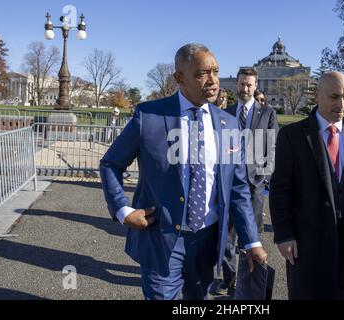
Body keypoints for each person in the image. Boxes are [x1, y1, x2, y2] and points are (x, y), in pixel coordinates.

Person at [100, 43, 267, 300]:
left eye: (215, 71)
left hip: (208, 241)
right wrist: (124, 211)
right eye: (202, 73)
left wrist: (252, 241)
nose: (213, 80)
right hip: (162, 237)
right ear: (180, 78)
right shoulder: (149, 116)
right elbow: (111, 163)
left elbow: (238, 187)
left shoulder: (228, 124)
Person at [269, 71, 344, 300]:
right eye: (334, 97)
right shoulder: (291, 136)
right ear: (317, 95)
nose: (341, 104)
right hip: (306, 243)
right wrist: (283, 235)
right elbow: (280, 190)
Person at [215, 68, 277, 295]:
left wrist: (264, 179)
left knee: (250, 236)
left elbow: (271, 147)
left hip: (254, 185)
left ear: (255, 85)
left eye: (249, 85)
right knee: (227, 234)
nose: (245, 89)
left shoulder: (267, 113)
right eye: (241, 84)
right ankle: (229, 279)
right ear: (237, 84)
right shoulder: (227, 112)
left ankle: (245, 281)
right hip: (227, 183)